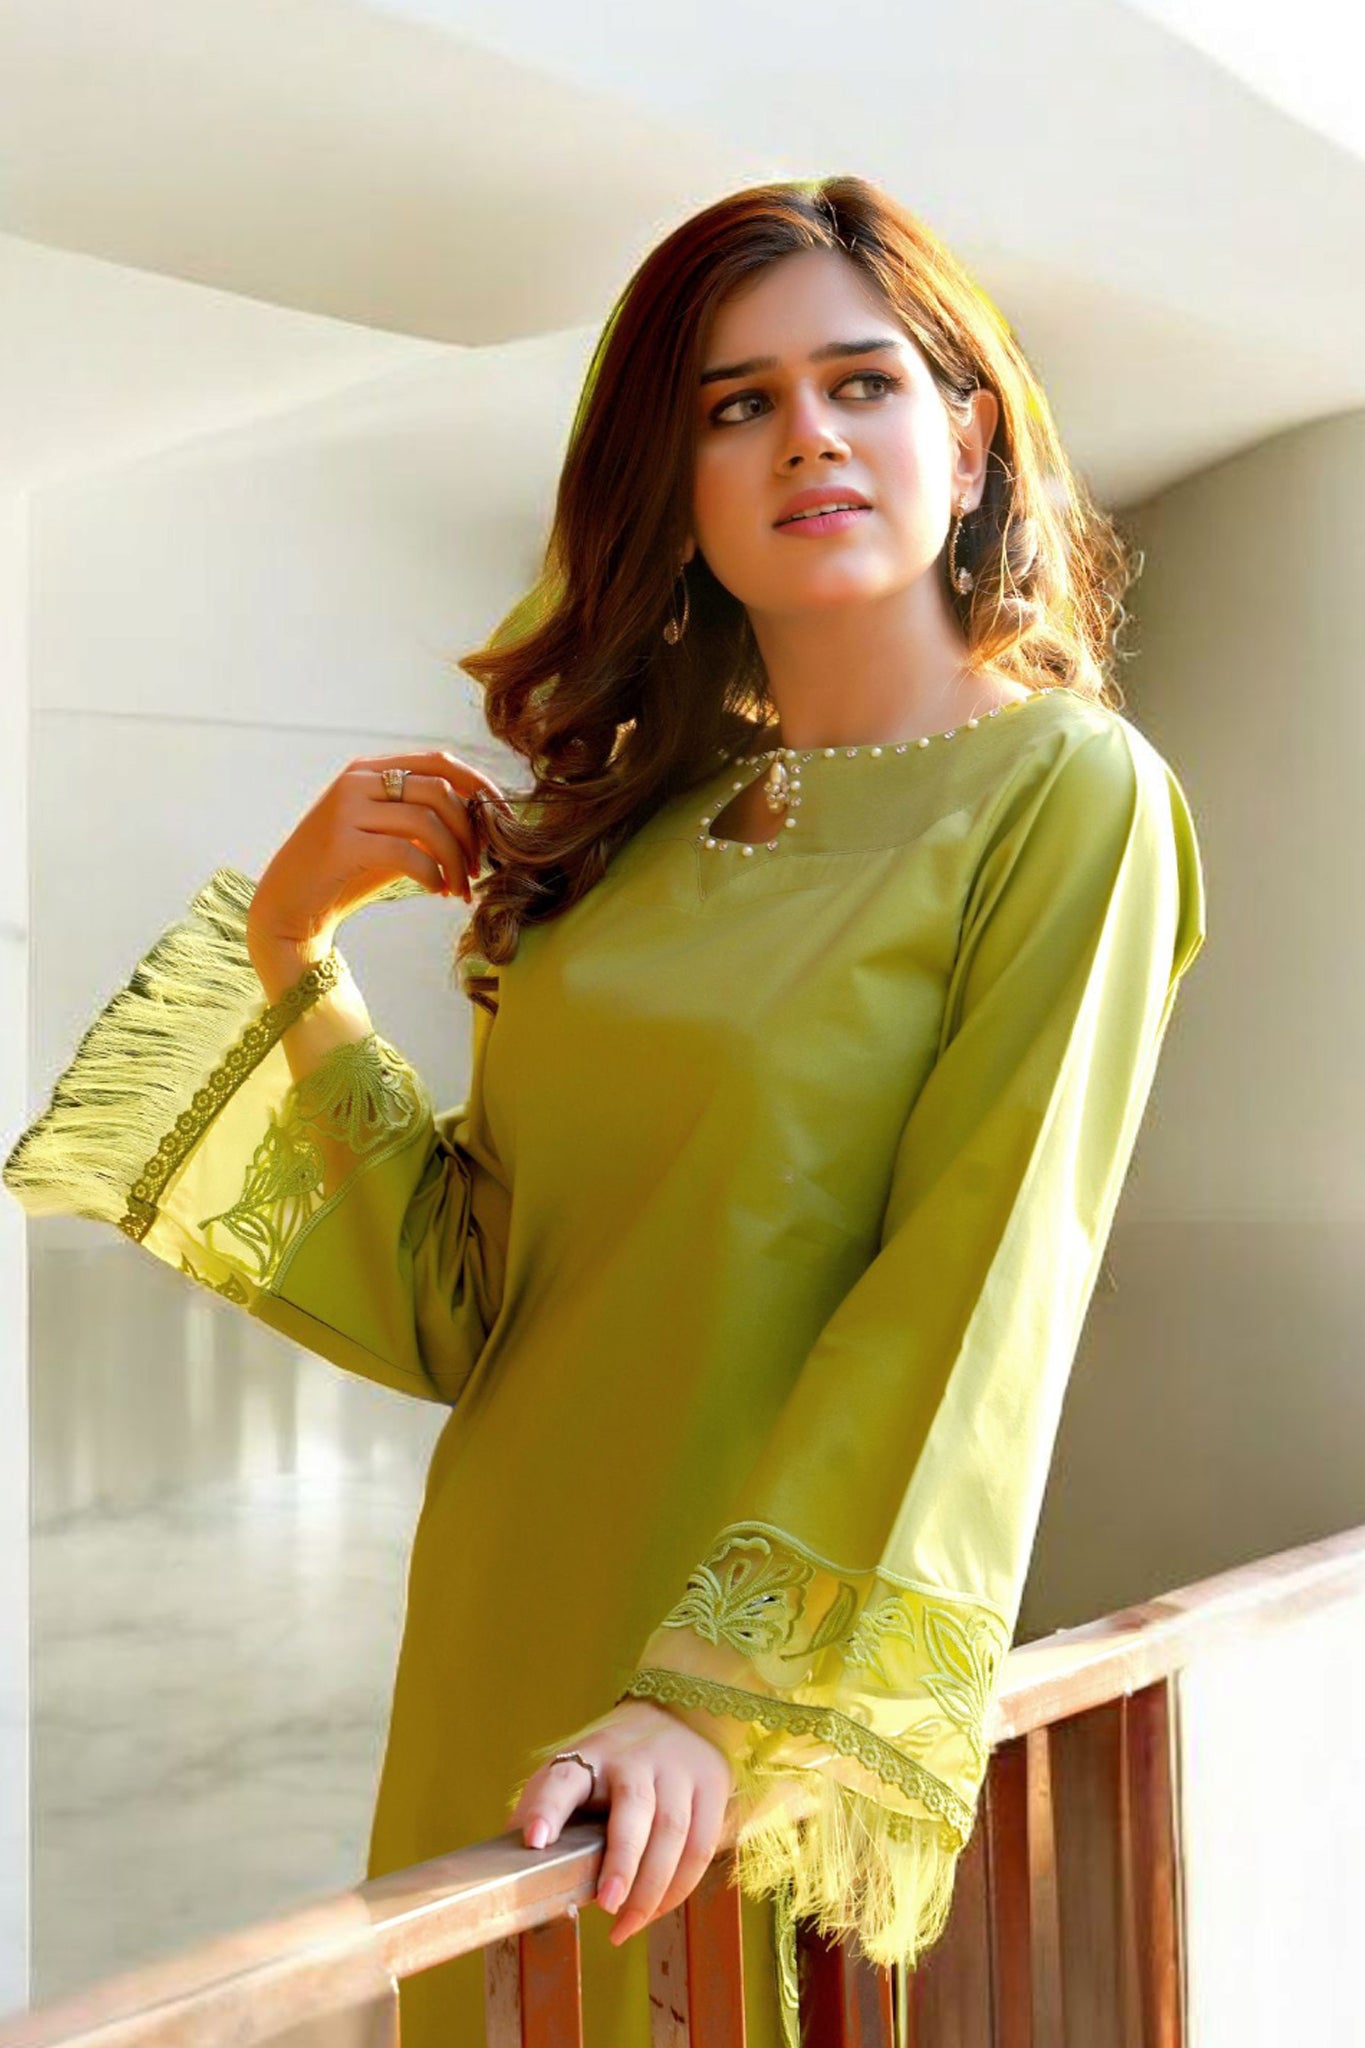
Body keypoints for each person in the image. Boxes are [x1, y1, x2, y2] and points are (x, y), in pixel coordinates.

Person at [3, 176, 1207, 2048]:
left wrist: (717, 1703)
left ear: (967, 442)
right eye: (736, 405)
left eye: (859, 383)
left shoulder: (1067, 793)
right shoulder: (641, 830)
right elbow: (468, 1301)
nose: (804, 435)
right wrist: (292, 952)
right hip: (500, 1637)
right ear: (679, 480)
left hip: (728, 1718)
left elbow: (978, 1285)